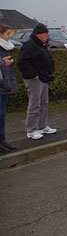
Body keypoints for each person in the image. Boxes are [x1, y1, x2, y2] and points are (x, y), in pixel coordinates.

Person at [17, 23, 57, 140]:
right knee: (35, 104)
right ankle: (31, 130)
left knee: (44, 103)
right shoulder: (29, 46)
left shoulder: (40, 45)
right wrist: (33, 74)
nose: (47, 36)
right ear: (39, 34)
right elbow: (22, 62)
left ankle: (42, 126)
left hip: (43, 78)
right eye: (46, 34)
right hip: (34, 79)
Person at [0, 24, 18, 152]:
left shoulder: (5, 47)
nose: (9, 37)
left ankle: (2, 141)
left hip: (4, 85)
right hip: (1, 84)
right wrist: (2, 62)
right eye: (7, 34)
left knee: (2, 115)